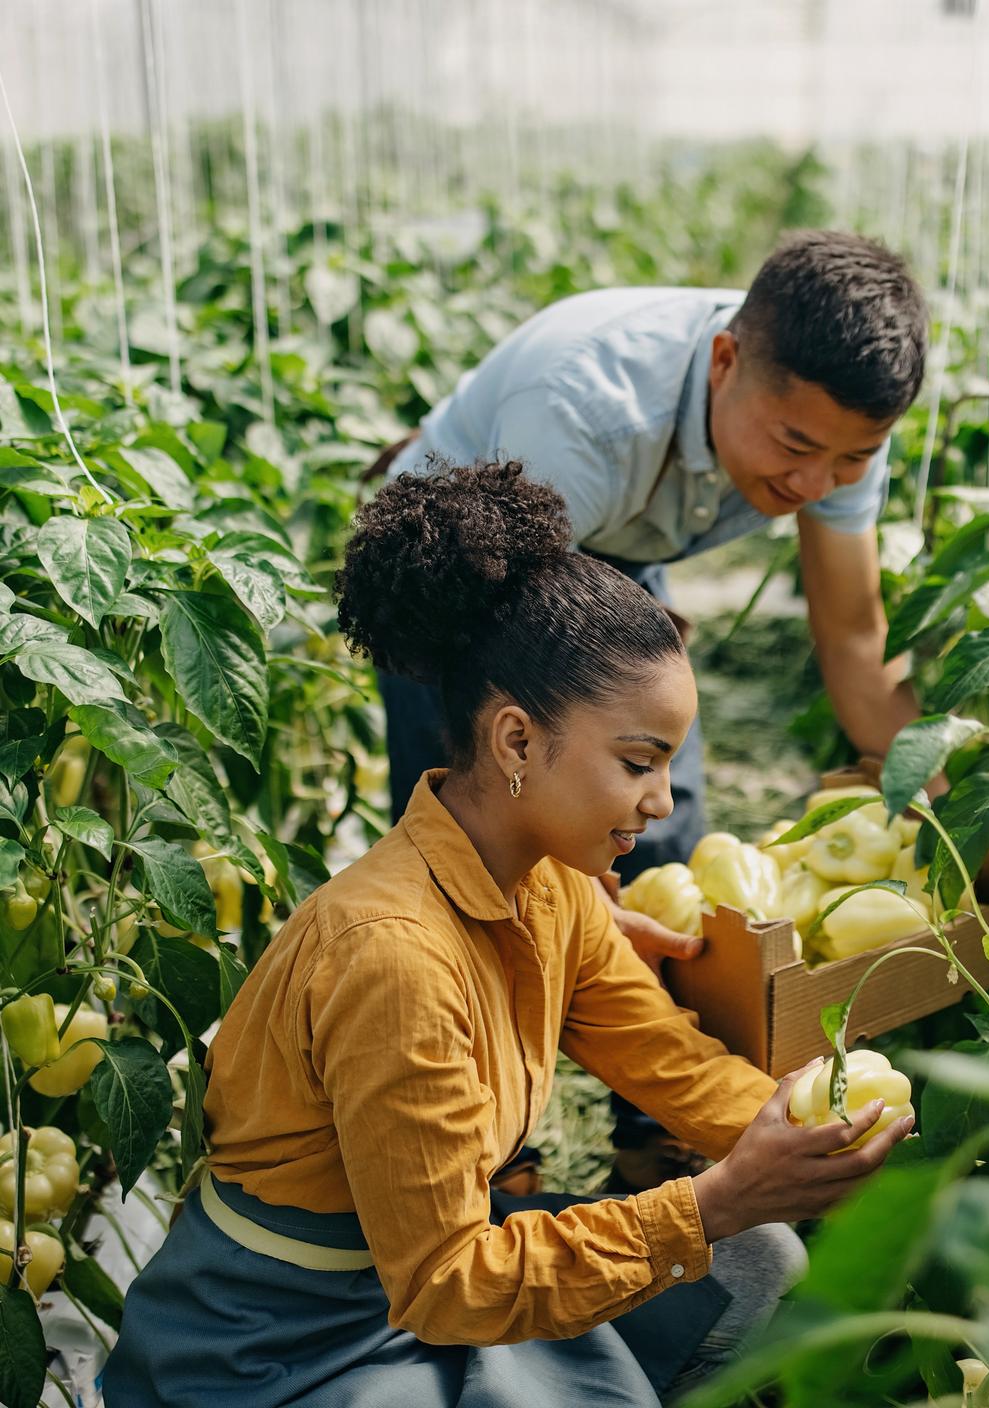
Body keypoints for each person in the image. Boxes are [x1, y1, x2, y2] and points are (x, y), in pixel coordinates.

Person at [101, 462, 914, 1408]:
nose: (662, 801)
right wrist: (715, 1199)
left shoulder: (555, 893)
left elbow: (672, 1066)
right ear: (518, 742)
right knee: (710, 1247)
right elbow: (447, 1282)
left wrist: (827, 1147)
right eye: (638, 762)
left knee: (753, 1259)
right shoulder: (391, 954)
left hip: (421, 1271)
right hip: (281, 1330)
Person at [376, 231, 931, 1188]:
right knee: (479, 871)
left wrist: (936, 778)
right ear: (724, 363)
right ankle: (483, 1152)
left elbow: (852, 639)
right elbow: (515, 672)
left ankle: (662, 1132)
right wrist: (559, 860)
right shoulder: (586, 413)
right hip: (462, 571)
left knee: (666, 847)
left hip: (608, 548)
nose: (813, 486)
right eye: (795, 448)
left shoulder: (834, 429)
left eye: (851, 461)